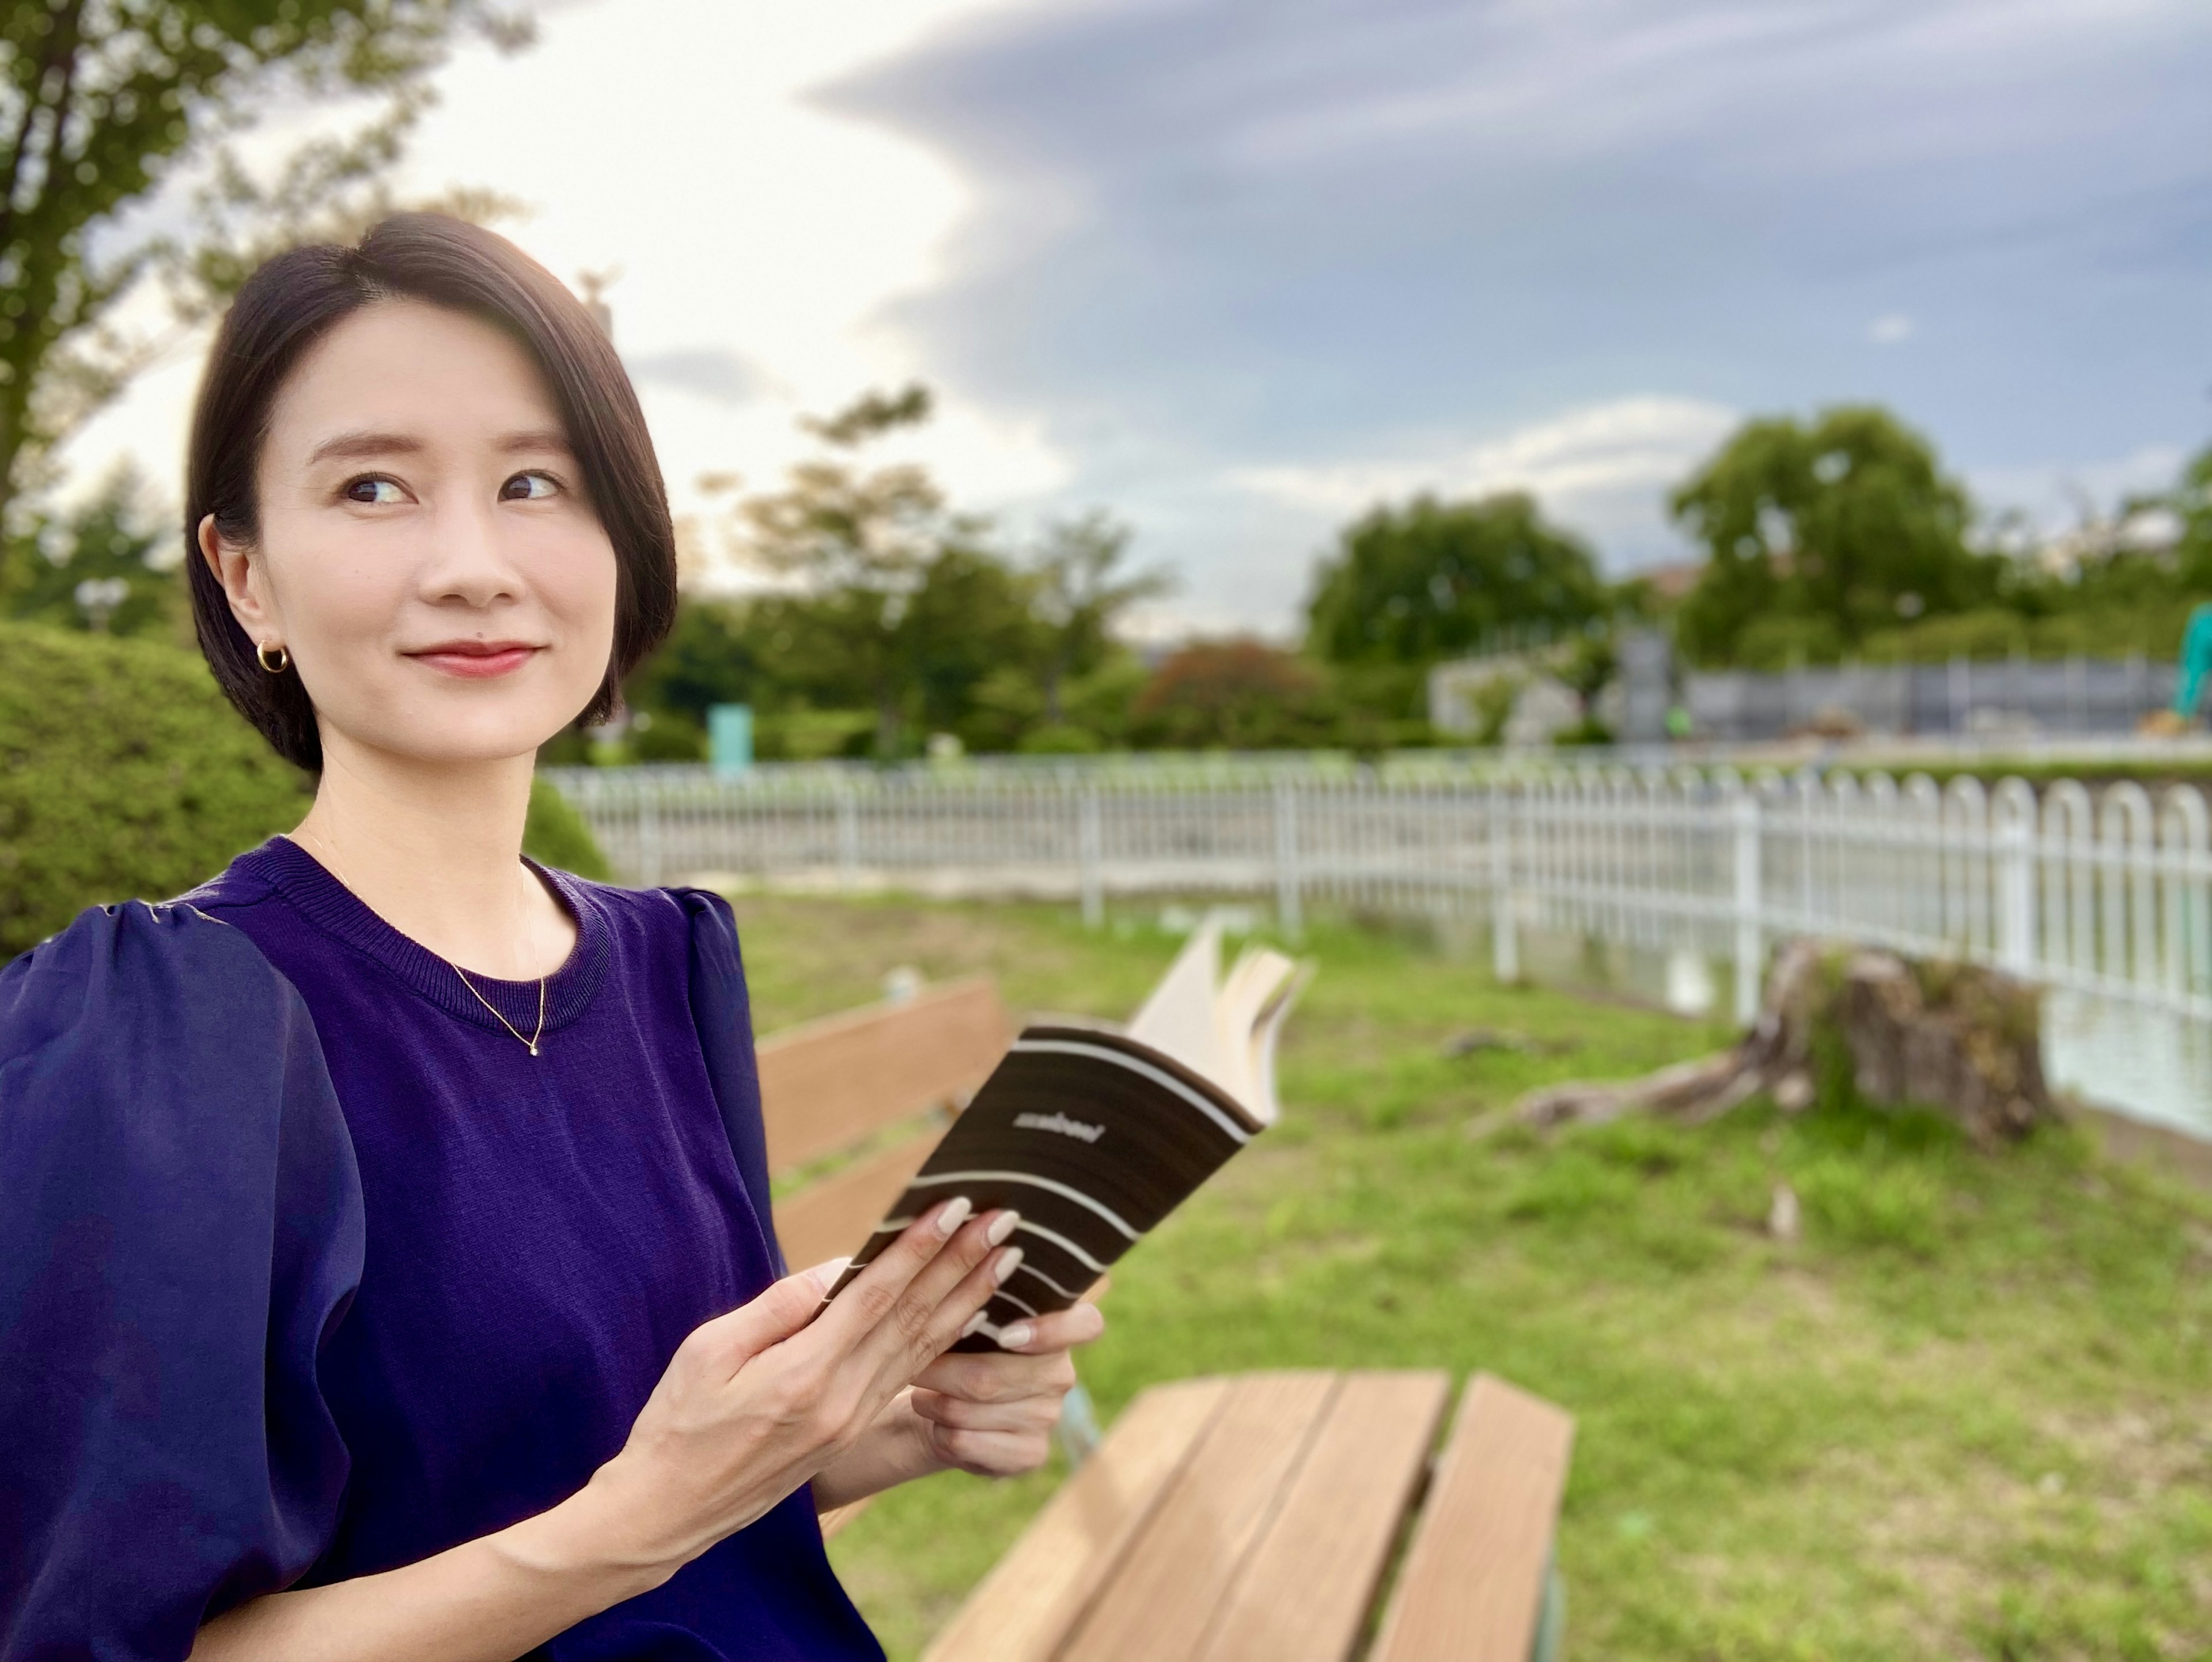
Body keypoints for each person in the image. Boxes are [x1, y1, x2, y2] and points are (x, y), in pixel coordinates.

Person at [0, 215, 1103, 1662]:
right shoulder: (164, 1028)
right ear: (245, 574)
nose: (471, 564)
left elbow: (597, 1474)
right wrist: (636, 1520)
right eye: (374, 487)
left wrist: (876, 1430)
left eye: (535, 483)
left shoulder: (666, 964)